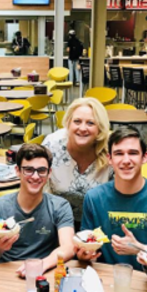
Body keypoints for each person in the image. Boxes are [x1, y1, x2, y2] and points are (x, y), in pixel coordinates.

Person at [77, 127, 147, 269]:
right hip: (106, 281)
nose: (126, 160)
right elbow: (85, 247)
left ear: (144, 157)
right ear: (110, 159)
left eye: (133, 153)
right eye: (119, 154)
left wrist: (140, 249)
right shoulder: (94, 198)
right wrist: (84, 255)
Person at [0, 143, 75, 275]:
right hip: (6, 273)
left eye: (41, 170)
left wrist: (42, 264)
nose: (35, 176)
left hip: (44, 272)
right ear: (17, 171)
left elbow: (69, 247)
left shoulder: (60, 206)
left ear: (49, 173)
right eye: (28, 170)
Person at [42, 97, 111, 228]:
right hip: (55, 221)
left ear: (100, 128)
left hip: (99, 223)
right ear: (68, 124)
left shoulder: (112, 150)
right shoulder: (52, 145)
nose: (83, 128)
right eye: (77, 121)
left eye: (90, 123)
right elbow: (38, 185)